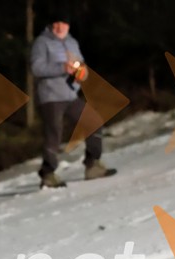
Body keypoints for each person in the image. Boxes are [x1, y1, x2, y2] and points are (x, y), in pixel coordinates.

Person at [30, 10, 115, 188]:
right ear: (51, 25)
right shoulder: (42, 42)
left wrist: (81, 73)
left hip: (70, 95)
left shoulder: (72, 42)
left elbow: (82, 67)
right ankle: (48, 174)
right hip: (51, 96)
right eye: (57, 23)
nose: (60, 27)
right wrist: (62, 68)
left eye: (64, 23)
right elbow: (37, 68)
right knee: (54, 134)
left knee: (94, 122)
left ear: (69, 25)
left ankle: (92, 166)